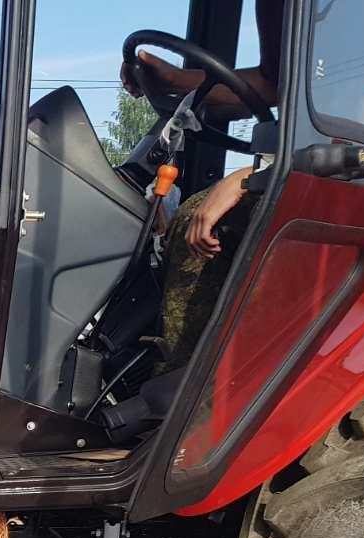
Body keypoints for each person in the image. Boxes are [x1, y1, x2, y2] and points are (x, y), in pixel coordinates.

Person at [120, 1, 286, 372]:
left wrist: (249, 176)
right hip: (318, 164)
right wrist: (174, 80)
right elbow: (271, 85)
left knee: (198, 217)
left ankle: (187, 381)